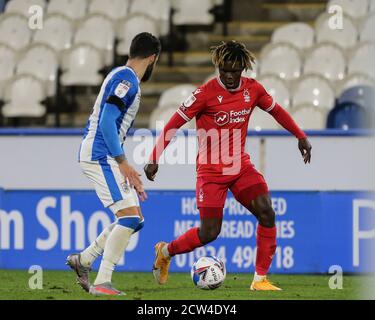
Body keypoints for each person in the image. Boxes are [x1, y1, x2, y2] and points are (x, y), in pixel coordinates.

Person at [144, 40, 312, 291]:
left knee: (266, 212)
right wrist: (154, 156)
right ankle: (166, 252)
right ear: (218, 68)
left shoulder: (253, 90)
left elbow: (277, 112)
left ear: (243, 69)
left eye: (236, 71)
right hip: (211, 173)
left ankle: (259, 280)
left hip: (240, 167)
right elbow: (172, 125)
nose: (231, 76)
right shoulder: (204, 94)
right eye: (225, 71)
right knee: (210, 232)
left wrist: (300, 136)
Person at [66, 32, 161, 296]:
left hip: (104, 153)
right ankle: (101, 282)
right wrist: (124, 164)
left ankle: (84, 260)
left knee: (136, 218)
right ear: (153, 58)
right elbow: (108, 120)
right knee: (129, 217)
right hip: (101, 155)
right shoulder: (127, 79)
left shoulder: (121, 74)